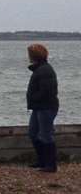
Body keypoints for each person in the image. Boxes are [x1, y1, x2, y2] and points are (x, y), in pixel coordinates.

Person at [27, 43, 59, 173]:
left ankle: (51, 165)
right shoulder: (41, 69)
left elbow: (46, 91)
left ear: (35, 56)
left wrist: (34, 98)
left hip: (46, 107)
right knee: (33, 133)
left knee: (46, 135)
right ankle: (42, 161)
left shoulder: (45, 70)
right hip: (39, 107)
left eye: (30, 54)